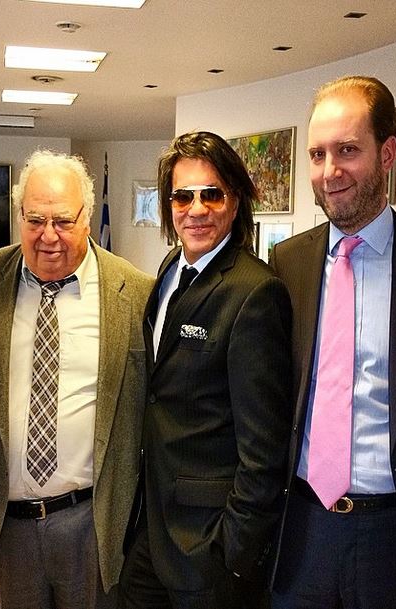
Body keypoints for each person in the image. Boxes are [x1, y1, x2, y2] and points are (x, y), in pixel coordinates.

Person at [0, 149, 153, 609]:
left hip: (92, 525)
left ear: (86, 217)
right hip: (7, 525)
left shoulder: (135, 292)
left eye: (62, 221)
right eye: (35, 220)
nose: (48, 236)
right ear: (19, 215)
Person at [119, 131, 292, 609]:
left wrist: (232, 554)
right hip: (152, 527)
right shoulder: (170, 269)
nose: (196, 209)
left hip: (208, 547)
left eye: (211, 194)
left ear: (234, 202)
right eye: (183, 196)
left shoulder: (254, 292)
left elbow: (264, 451)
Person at [270, 76, 396, 609]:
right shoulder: (286, 263)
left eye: (347, 150)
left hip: (393, 536)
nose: (329, 171)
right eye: (317, 154)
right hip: (300, 529)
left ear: (388, 154)